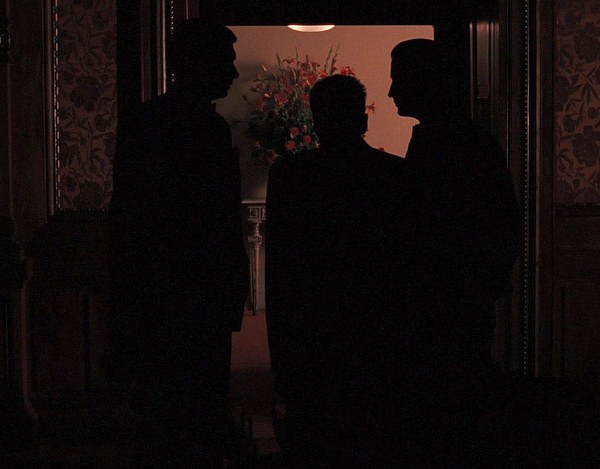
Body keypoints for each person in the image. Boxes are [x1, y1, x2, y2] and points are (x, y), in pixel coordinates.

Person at [106, 19, 249, 468]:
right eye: (225, 61)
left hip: (164, 290)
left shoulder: (147, 123)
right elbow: (214, 220)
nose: (233, 73)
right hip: (190, 290)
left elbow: (126, 217)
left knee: (169, 409)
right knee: (192, 403)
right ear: (198, 63)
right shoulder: (205, 129)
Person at [387, 38, 522, 466]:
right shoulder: (455, 139)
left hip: (447, 300)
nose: (391, 92)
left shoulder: (453, 144)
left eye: (398, 80)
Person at [265, 74, 404, 468]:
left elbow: (280, 276)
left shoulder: (290, 177)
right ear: (363, 120)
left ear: (315, 121)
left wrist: (282, 360)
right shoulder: (394, 175)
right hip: (376, 338)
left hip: (311, 337)